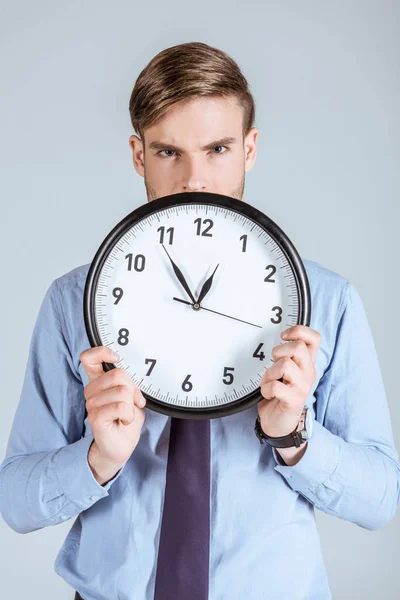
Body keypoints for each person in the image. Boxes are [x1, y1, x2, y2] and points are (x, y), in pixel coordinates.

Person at [0, 41, 399, 600]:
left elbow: (382, 500)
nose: (194, 179)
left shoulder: (325, 302)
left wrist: (296, 438)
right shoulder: (75, 302)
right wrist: (97, 458)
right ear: (138, 155)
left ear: (249, 149)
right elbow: (14, 501)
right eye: (168, 152)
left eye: (217, 148)